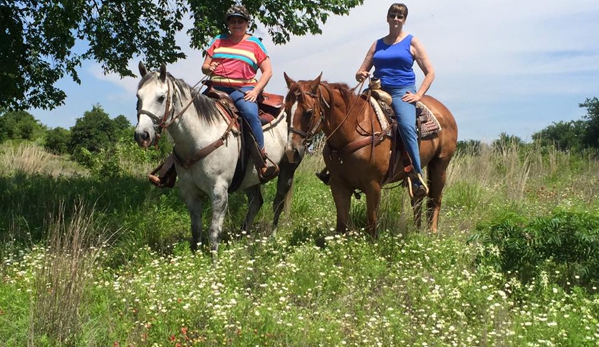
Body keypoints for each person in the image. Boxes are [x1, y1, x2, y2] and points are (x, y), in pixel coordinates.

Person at [355, 3, 434, 197]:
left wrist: (419, 95)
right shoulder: (377, 44)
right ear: (387, 18)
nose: (396, 19)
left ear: (404, 19)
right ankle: (335, 169)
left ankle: (416, 175)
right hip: (377, 89)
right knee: (350, 114)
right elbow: (361, 69)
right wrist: (361, 74)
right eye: (393, 15)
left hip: (401, 92)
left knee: (406, 126)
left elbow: (430, 72)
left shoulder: (412, 42)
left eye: (400, 16)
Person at [201, 4, 278, 182]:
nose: (236, 24)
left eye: (240, 21)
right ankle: (172, 167)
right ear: (228, 23)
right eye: (233, 21)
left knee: (251, 114)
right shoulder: (218, 40)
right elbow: (205, 66)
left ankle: (261, 161)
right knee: (190, 113)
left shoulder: (254, 44)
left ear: (247, 23)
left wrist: (256, 90)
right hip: (215, 90)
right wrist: (208, 68)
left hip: (242, 90)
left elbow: (268, 71)